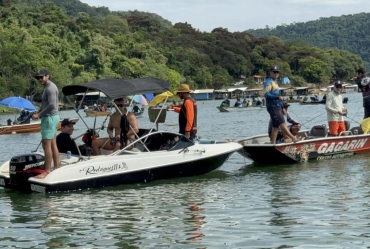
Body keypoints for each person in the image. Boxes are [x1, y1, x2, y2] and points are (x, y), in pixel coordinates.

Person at [31, 69, 60, 179]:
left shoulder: (50, 88)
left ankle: (47, 171)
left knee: (46, 145)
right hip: (51, 117)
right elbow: (45, 104)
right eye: (37, 77)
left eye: (41, 77)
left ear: (47, 76)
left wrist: (39, 115)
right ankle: (56, 167)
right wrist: (38, 112)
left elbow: (52, 105)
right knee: (52, 143)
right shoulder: (47, 87)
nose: (39, 79)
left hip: (50, 118)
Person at [263, 65, 299, 144]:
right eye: (274, 72)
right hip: (272, 106)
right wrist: (277, 97)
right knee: (281, 122)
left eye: (277, 72)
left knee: (275, 126)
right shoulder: (268, 82)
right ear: (270, 72)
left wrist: (282, 107)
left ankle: (273, 143)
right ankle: (293, 138)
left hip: (277, 106)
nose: (276, 74)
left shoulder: (275, 82)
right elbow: (267, 95)